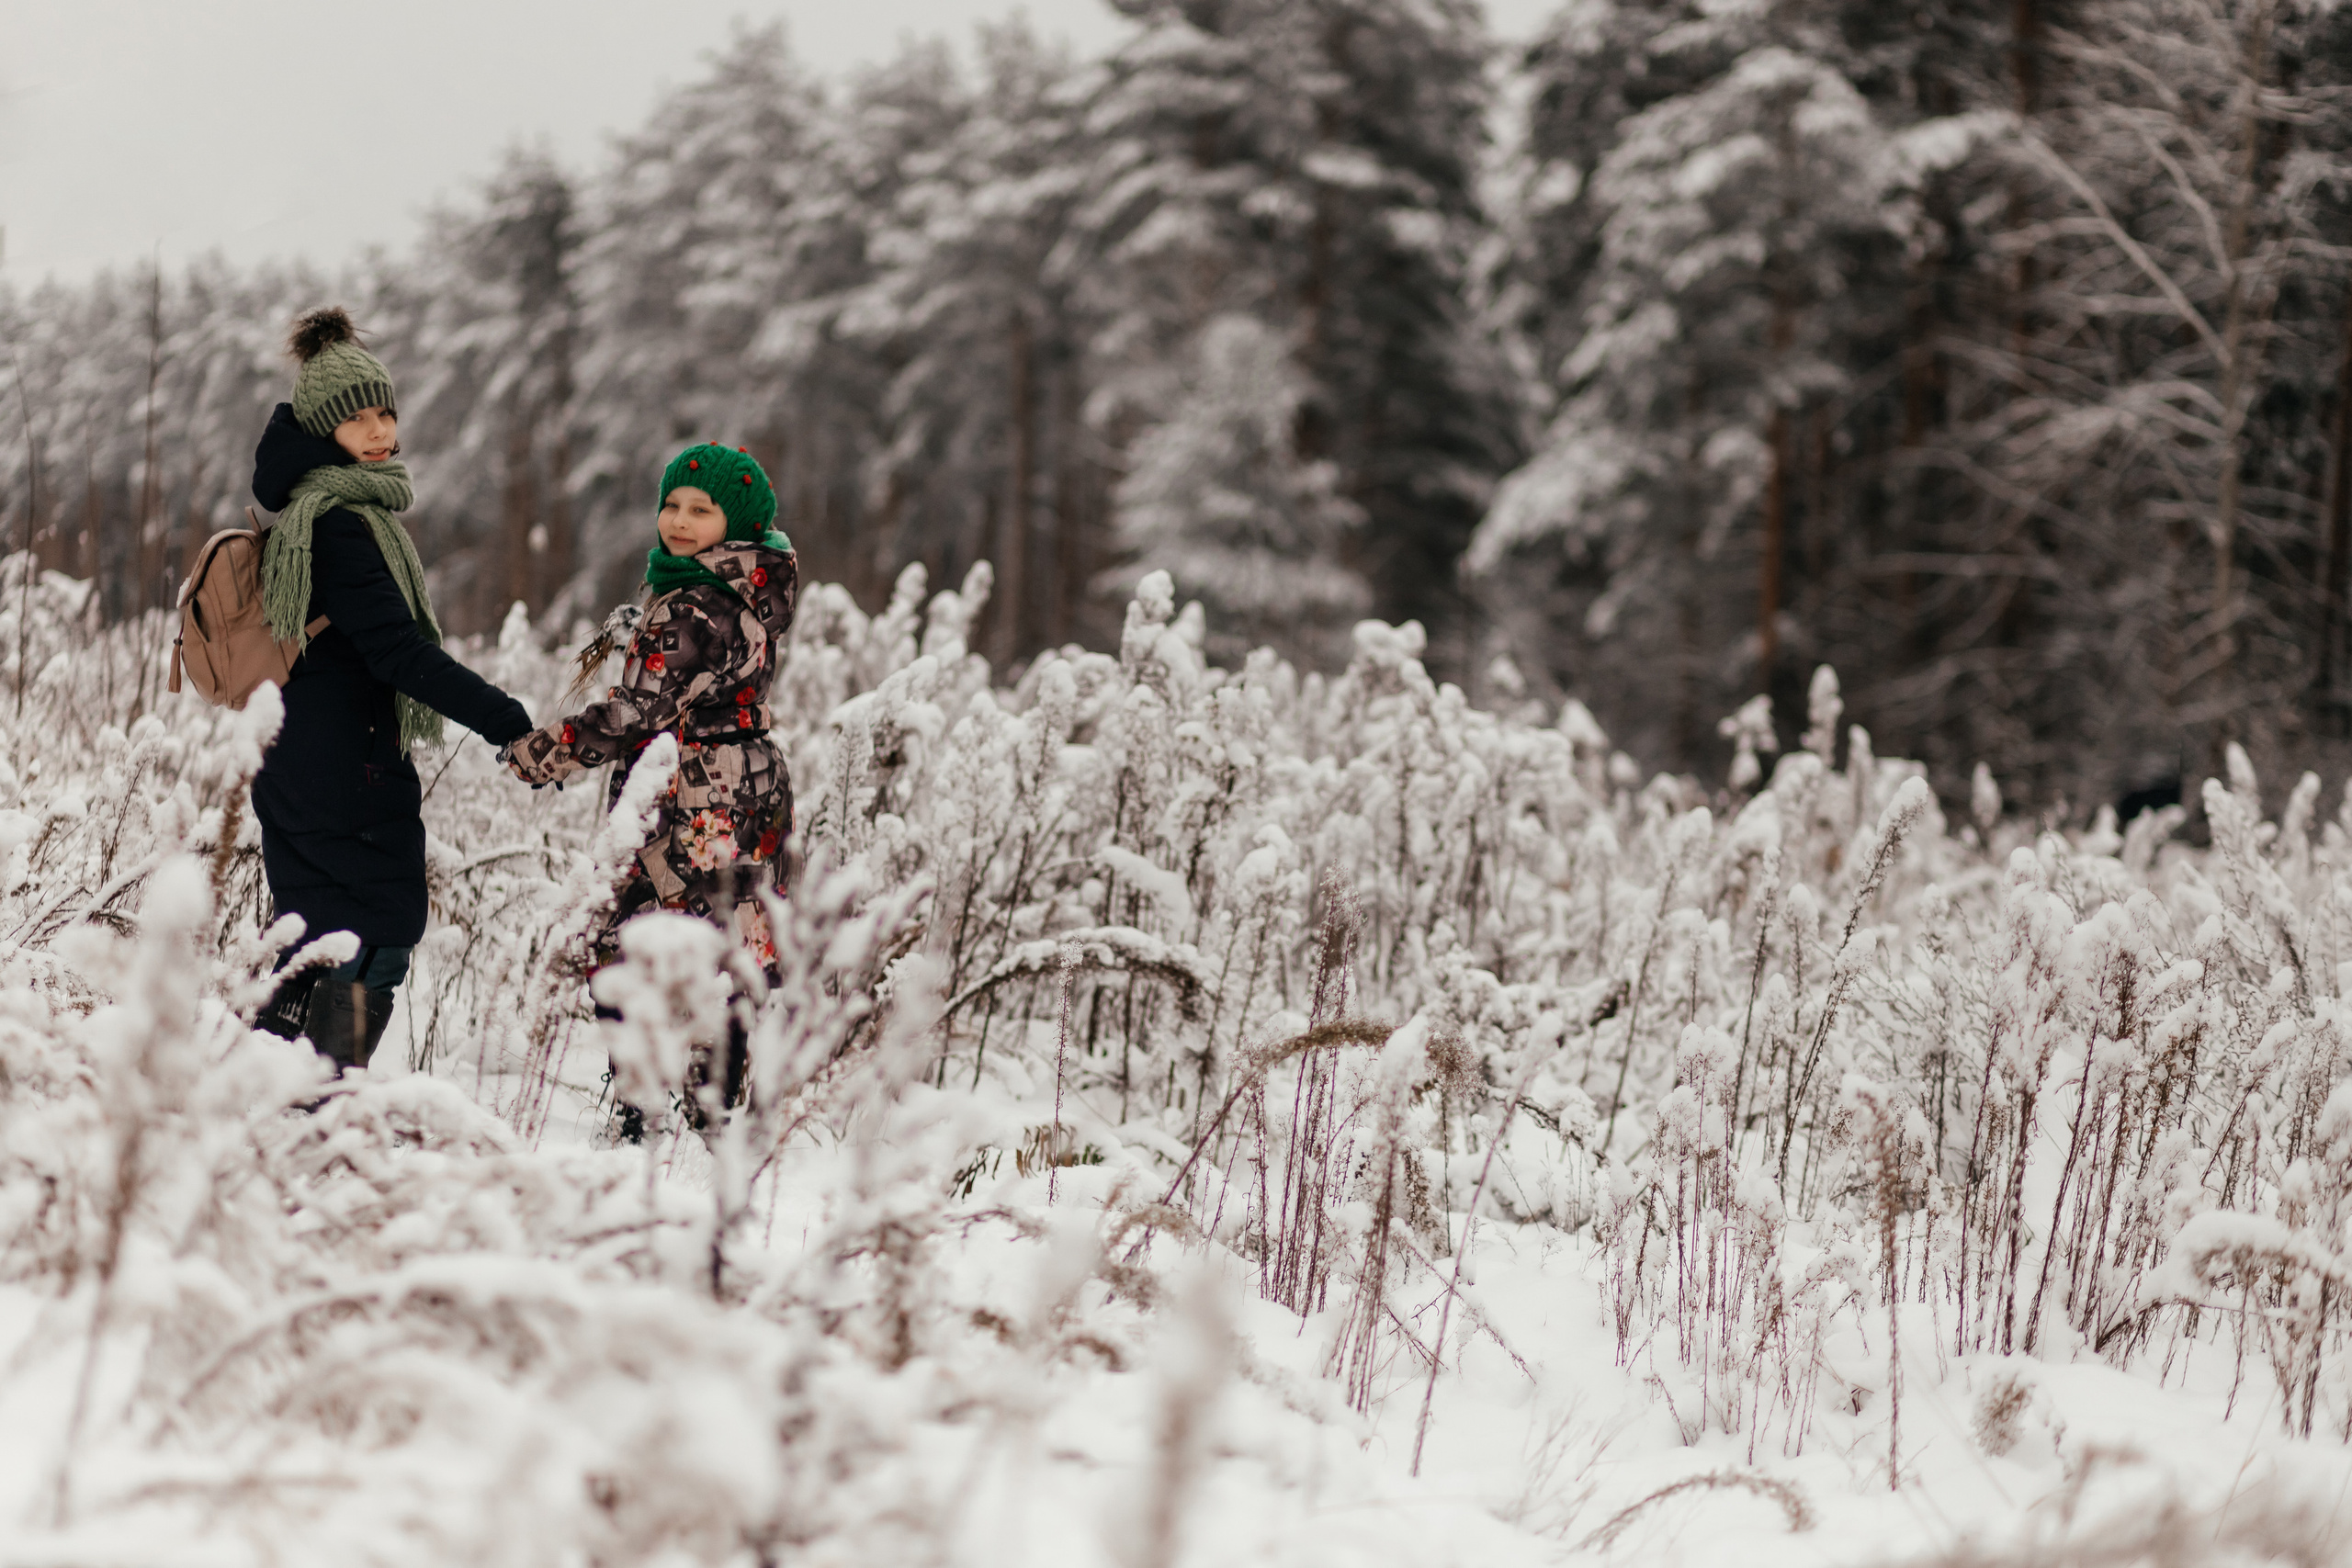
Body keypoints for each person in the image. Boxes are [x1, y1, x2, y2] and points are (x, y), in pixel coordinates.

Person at [249, 308, 537, 1072]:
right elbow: (397, 653)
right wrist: (504, 718)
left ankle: (259, 1105)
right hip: (344, 772)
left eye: (386, 411)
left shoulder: (318, 513)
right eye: (357, 417)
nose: (379, 430)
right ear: (321, 427)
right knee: (374, 932)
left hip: (301, 763)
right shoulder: (340, 523)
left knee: (314, 937)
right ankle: (312, 1105)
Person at [503, 443, 798, 1136]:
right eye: (670, 504)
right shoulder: (754, 589)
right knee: (723, 945)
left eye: (701, 509)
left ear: (739, 521)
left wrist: (542, 752)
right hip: (750, 785)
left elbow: (635, 713)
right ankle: (712, 1108)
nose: (679, 520)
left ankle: (642, 1111)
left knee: (624, 943)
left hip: (688, 793)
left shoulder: (691, 608)